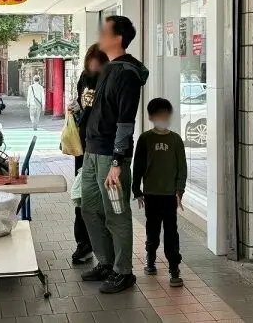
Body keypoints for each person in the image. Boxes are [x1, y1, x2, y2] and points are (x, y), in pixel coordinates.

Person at [80, 15, 148, 294]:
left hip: (111, 157)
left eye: (105, 32)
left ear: (117, 38)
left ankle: (123, 271)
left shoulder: (127, 74)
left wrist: (118, 162)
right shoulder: (107, 69)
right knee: (89, 208)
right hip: (92, 152)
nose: (100, 36)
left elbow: (125, 122)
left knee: (116, 213)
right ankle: (106, 262)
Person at [132, 98, 187, 287]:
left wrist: (180, 190)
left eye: (165, 115)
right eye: (158, 115)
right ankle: (151, 258)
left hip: (169, 195)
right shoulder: (145, 139)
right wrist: (136, 189)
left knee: (171, 232)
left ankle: (174, 267)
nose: (162, 118)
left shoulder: (176, 140)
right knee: (152, 230)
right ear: (151, 117)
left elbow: (182, 167)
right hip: (151, 194)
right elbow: (138, 166)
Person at [69, 44, 109, 265]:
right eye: (90, 64)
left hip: (102, 147)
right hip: (83, 146)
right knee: (81, 196)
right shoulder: (84, 78)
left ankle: (102, 249)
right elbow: (83, 106)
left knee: (101, 201)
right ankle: (83, 244)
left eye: (97, 64)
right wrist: (75, 111)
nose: (93, 68)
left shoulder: (109, 81)